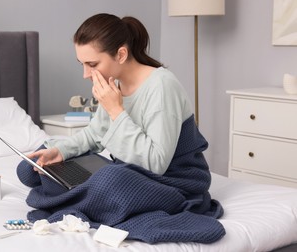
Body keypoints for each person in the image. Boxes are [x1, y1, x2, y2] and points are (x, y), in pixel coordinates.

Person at [17, 13, 225, 244]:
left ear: (121, 54)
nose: (86, 74)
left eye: (92, 64)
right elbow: (95, 134)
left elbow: (156, 163)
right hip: (132, 171)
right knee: (30, 167)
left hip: (174, 182)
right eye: (82, 64)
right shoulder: (114, 83)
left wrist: (116, 110)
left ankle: (85, 195)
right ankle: (89, 194)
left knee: (110, 177)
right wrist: (59, 152)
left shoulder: (162, 86)